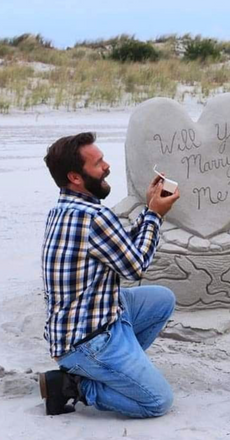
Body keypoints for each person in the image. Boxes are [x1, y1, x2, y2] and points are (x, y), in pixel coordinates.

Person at [39, 132, 180, 417]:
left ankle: (117, 370)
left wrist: (149, 206)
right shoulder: (94, 217)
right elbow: (135, 266)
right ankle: (75, 386)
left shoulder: (65, 209)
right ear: (76, 177)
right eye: (98, 163)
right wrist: (155, 216)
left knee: (162, 299)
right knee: (157, 402)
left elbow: (117, 246)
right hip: (87, 339)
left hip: (98, 315)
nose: (107, 166)